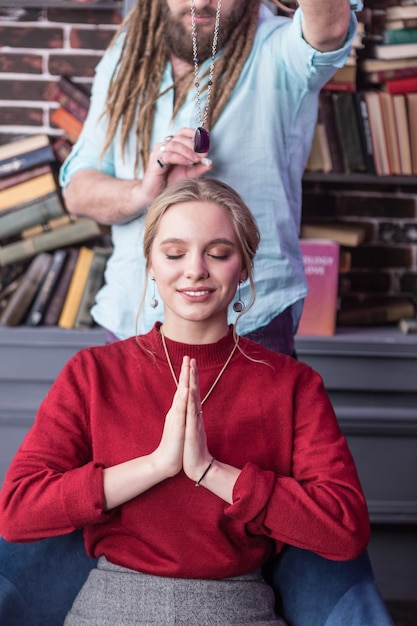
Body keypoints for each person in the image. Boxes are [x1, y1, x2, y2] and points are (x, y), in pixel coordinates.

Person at [0, 178, 371, 625]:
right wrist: (156, 465)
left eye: (218, 253)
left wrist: (212, 472)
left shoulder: (293, 385)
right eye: (174, 254)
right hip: (111, 606)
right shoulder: (93, 372)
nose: (195, 269)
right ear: (152, 266)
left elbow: (344, 530)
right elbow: (17, 512)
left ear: (245, 267)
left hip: (238, 609)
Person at [60, 0, 362, 356]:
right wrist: (145, 192)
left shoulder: (278, 48)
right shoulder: (127, 53)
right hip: (132, 320)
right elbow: (78, 190)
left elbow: (327, 30)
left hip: (250, 324)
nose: (201, 1)